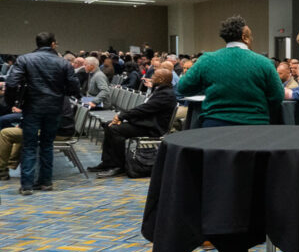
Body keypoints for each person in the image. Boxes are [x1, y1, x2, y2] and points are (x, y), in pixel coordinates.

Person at [3, 32, 80, 195]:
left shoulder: (24, 59)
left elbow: (11, 82)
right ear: (53, 44)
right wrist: (61, 92)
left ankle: (27, 185)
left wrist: (13, 102)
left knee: (29, 146)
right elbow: (74, 87)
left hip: (32, 108)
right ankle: (45, 183)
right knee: (46, 145)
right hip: (54, 108)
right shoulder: (63, 62)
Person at [177, 16, 283, 127]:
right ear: (245, 37)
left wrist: (205, 86)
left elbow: (183, 87)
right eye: (251, 37)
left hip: (214, 126)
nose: (252, 40)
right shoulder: (265, 63)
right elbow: (277, 96)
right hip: (255, 125)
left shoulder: (207, 60)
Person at [91, 69, 178, 178]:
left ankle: (118, 166)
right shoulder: (161, 90)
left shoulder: (166, 94)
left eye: (154, 76)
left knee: (115, 130)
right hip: (147, 123)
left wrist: (121, 116)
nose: (152, 78)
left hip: (153, 128)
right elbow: (145, 109)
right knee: (109, 125)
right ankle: (108, 162)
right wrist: (123, 117)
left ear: (161, 79)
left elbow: (144, 109)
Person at [0, 97, 76, 182]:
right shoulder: (58, 93)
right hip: (63, 130)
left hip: (56, 132)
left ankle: (2, 171)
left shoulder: (46, 95)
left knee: (5, 133)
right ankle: (10, 164)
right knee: (21, 133)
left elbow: (41, 118)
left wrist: (23, 124)